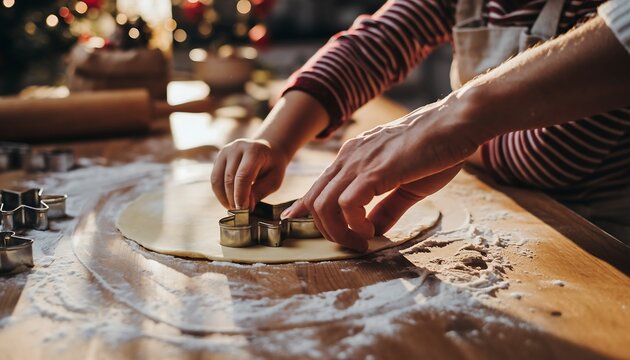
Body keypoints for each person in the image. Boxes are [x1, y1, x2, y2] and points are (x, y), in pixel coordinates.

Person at [212, 0, 630, 248]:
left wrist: (447, 131)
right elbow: (375, 43)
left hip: (600, 240)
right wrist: (275, 139)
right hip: (513, 207)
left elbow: (549, 157)